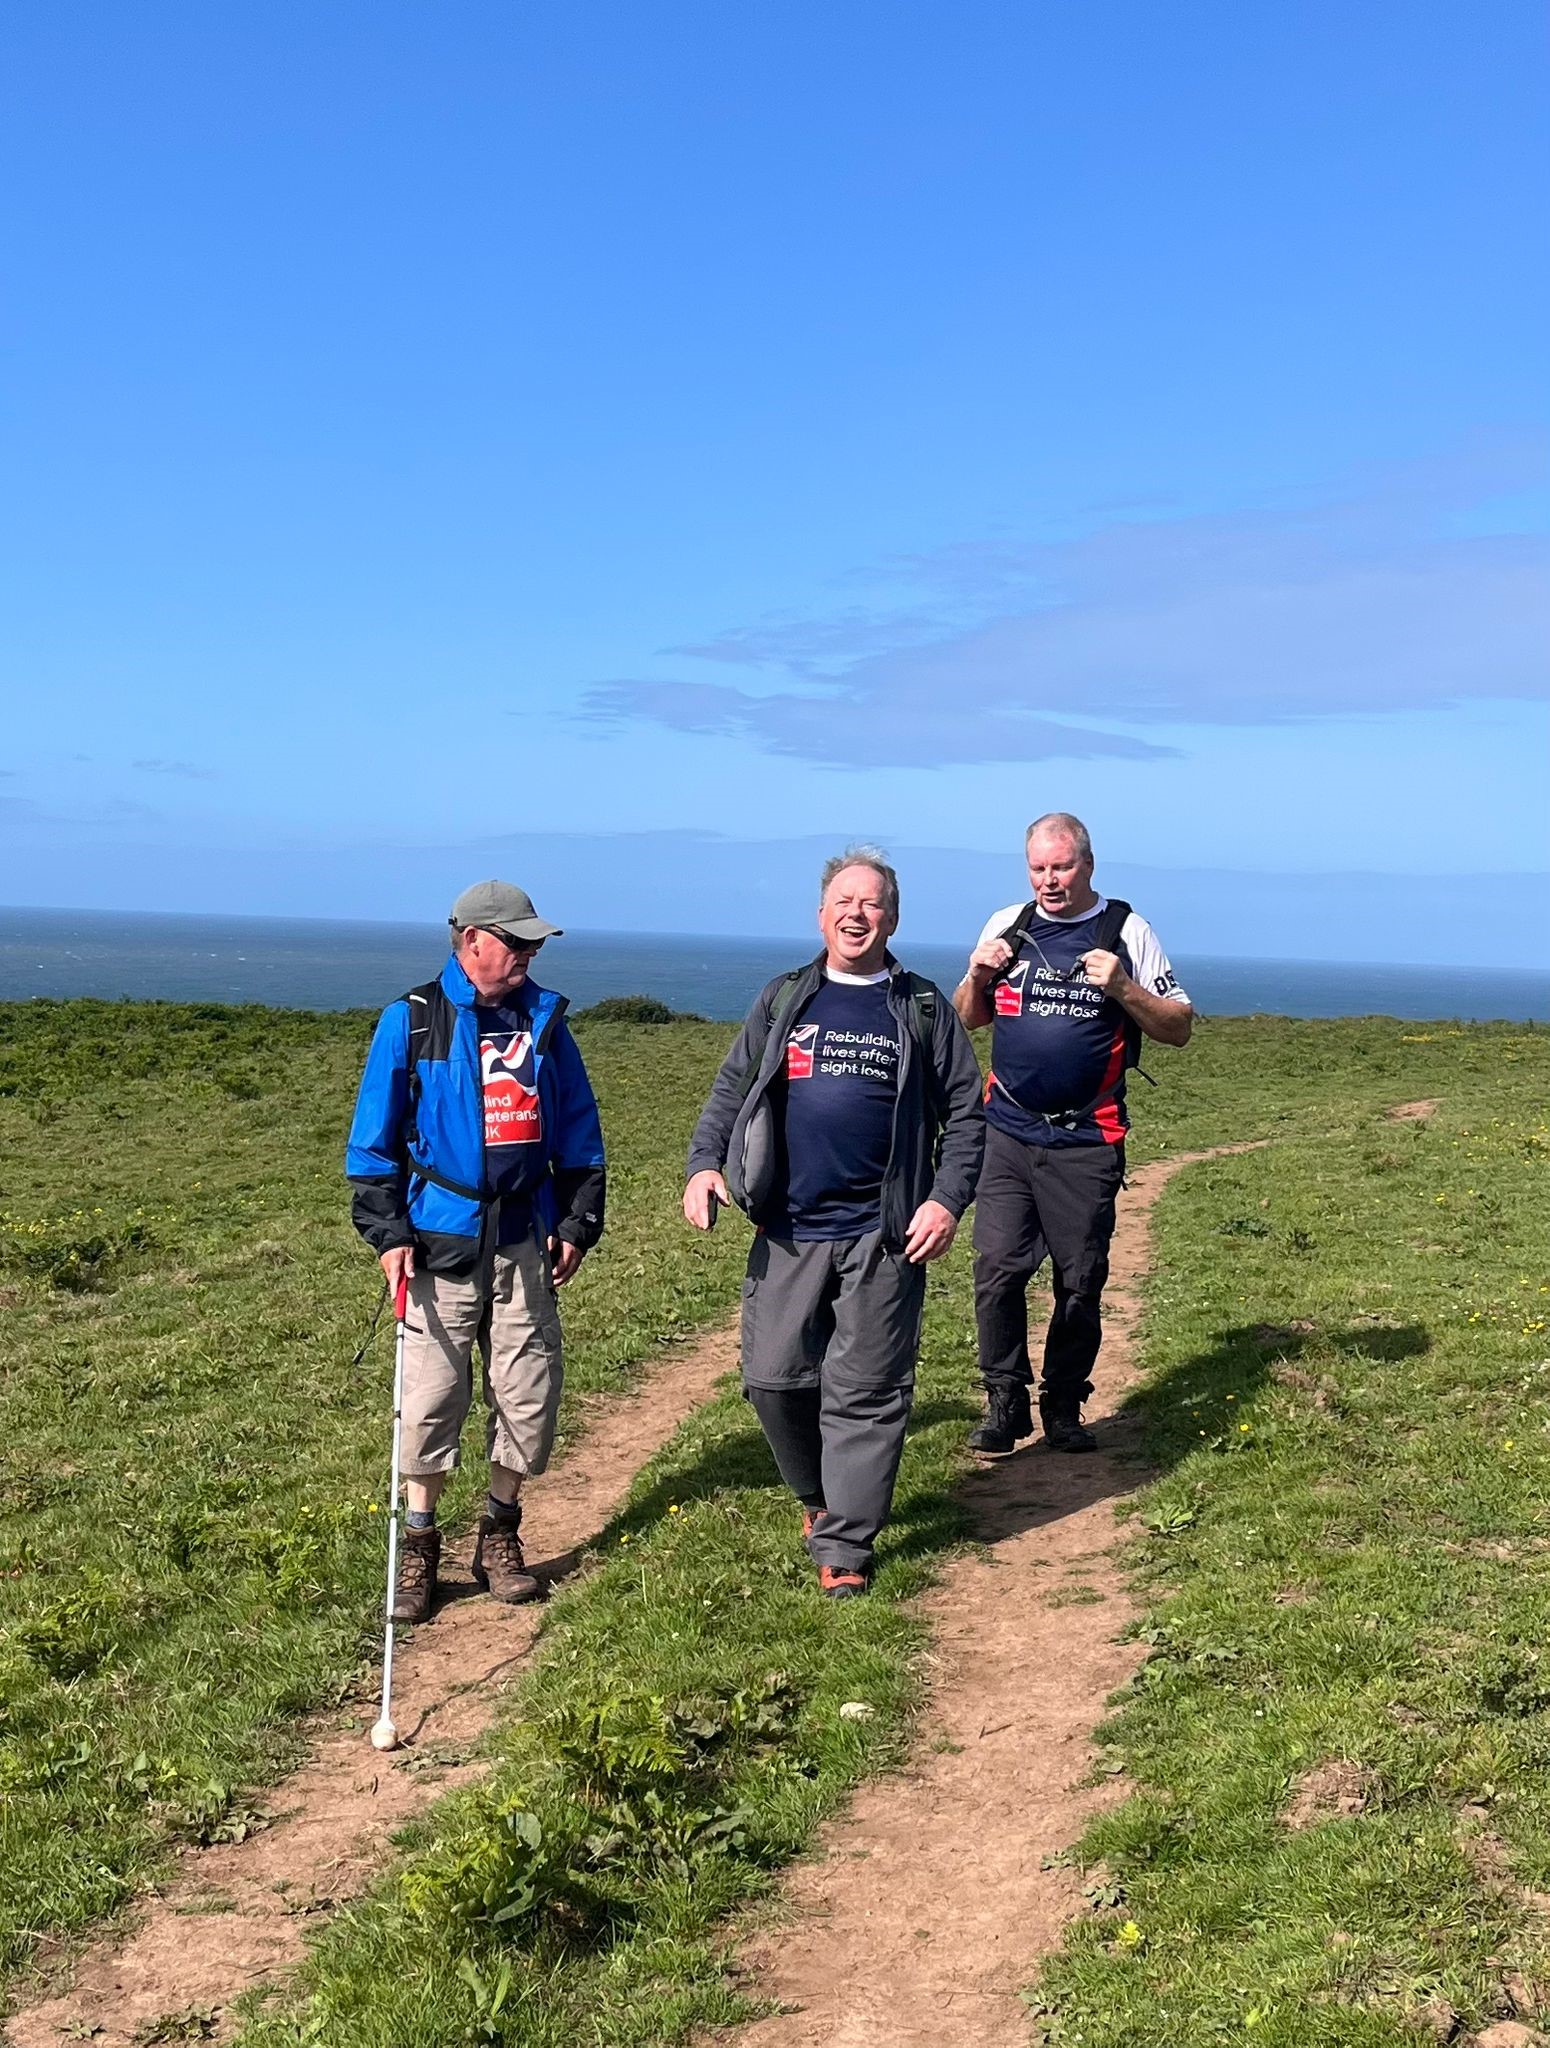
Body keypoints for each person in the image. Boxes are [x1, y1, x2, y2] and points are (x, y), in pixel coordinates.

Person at [684, 847, 984, 1598]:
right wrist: (703, 1164)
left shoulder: (919, 1007)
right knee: (772, 1378)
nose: (858, 914)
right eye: (844, 902)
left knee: (867, 1388)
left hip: (884, 1233)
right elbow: (732, 1084)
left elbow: (967, 1116)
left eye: (873, 903)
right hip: (787, 1225)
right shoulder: (785, 997)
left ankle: (845, 1548)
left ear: (893, 918)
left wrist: (945, 1201)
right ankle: (820, 1500)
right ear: (821, 915)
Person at [346, 881, 606, 1623]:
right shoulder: (412, 1021)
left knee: (528, 1392)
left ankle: (499, 1531)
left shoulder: (547, 1025)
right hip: (437, 1243)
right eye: (515, 942)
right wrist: (388, 1235)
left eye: (533, 944)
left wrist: (579, 1221)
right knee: (429, 1400)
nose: (528, 954)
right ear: (471, 941)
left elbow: (580, 1133)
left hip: (526, 1234)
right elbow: (373, 1144)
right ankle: (419, 1546)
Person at [953, 813, 1192, 1455]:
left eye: (1060, 867)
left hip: (1087, 1138)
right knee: (997, 1269)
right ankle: (1005, 1402)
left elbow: (1178, 1025)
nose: (1048, 880)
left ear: (1088, 864)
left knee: (1079, 1279)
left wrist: (1121, 986)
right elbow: (965, 1022)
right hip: (1006, 1129)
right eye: (1037, 867)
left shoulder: (1126, 930)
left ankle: (1063, 1403)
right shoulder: (1008, 925)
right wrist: (977, 974)